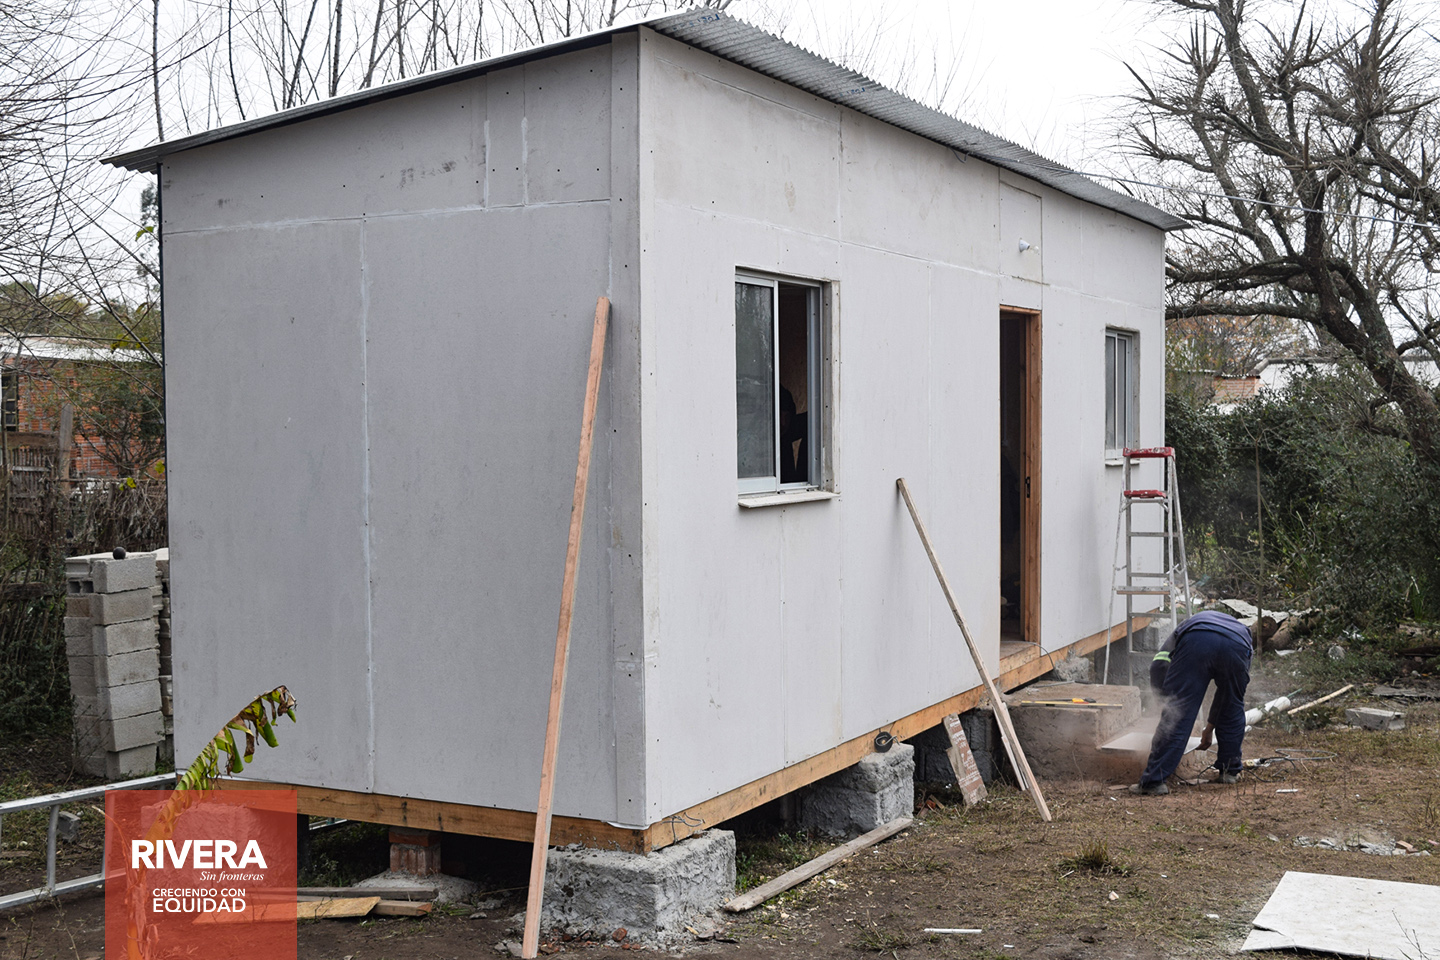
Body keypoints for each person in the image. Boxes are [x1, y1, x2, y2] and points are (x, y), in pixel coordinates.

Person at [1129, 610, 1255, 796]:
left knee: (1179, 711)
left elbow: (1159, 664)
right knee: (1233, 706)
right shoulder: (1241, 630)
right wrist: (1209, 727)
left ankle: (1153, 781)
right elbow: (1225, 698)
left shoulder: (1185, 627)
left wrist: (1165, 703)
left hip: (1198, 640)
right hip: (1237, 645)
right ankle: (1230, 771)